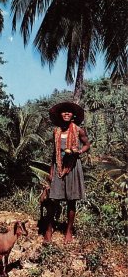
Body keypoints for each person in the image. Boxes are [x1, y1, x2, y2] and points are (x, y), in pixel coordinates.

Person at [43, 101, 90, 244]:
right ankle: (48, 229)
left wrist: (79, 151)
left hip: (73, 167)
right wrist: (51, 172)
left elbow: (87, 144)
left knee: (71, 200)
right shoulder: (56, 131)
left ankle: (68, 231)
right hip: (58, 167)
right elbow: (54, 153)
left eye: (69, 112)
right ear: (60, 114)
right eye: (64, 112)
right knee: (53, 200)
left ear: (73, 115)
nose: (66, 113)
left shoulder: (78, 130)